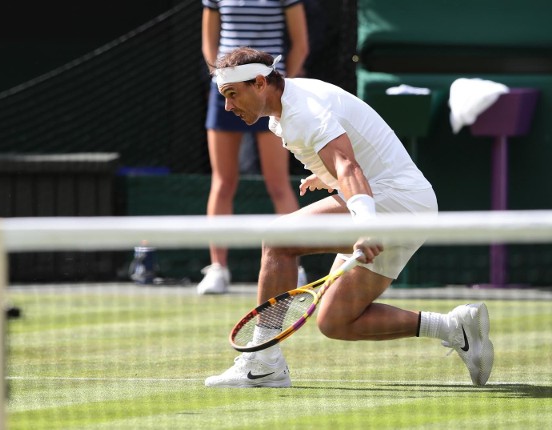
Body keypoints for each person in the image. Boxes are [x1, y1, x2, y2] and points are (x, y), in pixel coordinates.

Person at [203, 47, 494, 388]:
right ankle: (454, 329)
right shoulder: (284, 113)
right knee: (337, 321)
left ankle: (262, 361)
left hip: (397, 203)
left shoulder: (303, 111)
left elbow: (348, 165)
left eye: (233, 94)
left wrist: (365, 226)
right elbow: (345, 160)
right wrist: (325, 177)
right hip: (399, 204)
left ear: (259, 83)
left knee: (279, 240)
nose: (228, 106)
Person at [198, 0, 310, 295]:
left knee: (278, 184)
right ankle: (218, 269)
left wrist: (281, 87)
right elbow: (209, 43)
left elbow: (301, 44)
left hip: (266, 91)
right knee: (222, 183)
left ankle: (295, 269)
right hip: (226, 91)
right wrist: (223, 83)